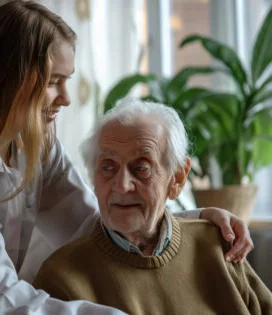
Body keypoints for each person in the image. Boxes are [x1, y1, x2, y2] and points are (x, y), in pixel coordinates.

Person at [0, 1, 253, 314]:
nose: (64, 98)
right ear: (10, 78)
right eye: (53, 82)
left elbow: (94, 227)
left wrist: (190, 221)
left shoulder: (36, 144)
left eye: (68, 81)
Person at [33, 98, 272, 314]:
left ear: (177, 179)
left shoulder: (218, 246)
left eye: (141, 168)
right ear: (93, 179)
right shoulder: (61, 278)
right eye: (108, 167)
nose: (122, 185)